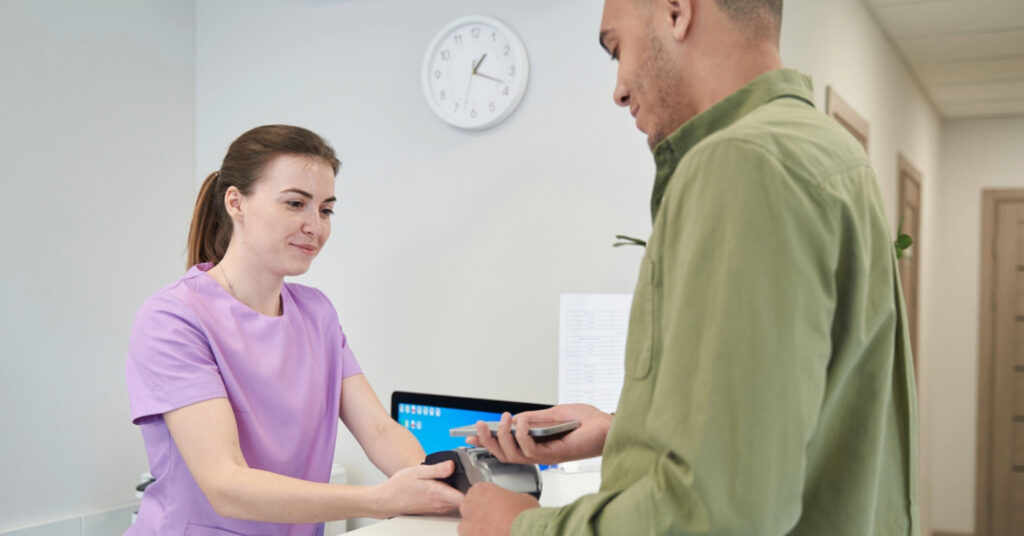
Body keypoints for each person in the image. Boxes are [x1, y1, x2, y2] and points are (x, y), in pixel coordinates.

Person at [458, 0, 919, 534]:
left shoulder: (744, 165)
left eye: (617, 50)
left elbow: (716, 513)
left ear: (677, 12)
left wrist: (521, 528)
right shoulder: (830, 152)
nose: (619, 90)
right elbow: (789, 423)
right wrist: (621, 429)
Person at [125, 125, 462, 535]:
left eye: (325, 209)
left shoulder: (317, 312)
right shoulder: (174, 318)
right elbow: (225, 483)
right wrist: (381, 499)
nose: (314, 226)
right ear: (236, 203)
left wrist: (449, 486)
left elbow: (378, 429)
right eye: (295, 204)